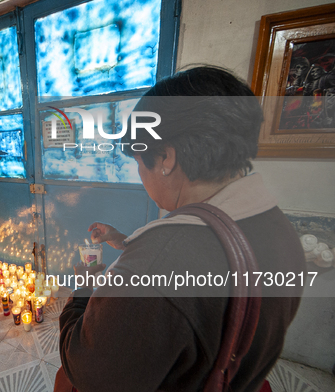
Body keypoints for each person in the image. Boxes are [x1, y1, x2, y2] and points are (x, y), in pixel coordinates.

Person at [56, 66, 306, 392]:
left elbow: (89, 372)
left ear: (166, 157)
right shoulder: (277, 227)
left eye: (137, 160)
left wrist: (85, 291)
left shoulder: (160, 262)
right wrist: (124, 241)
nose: (141, 174)